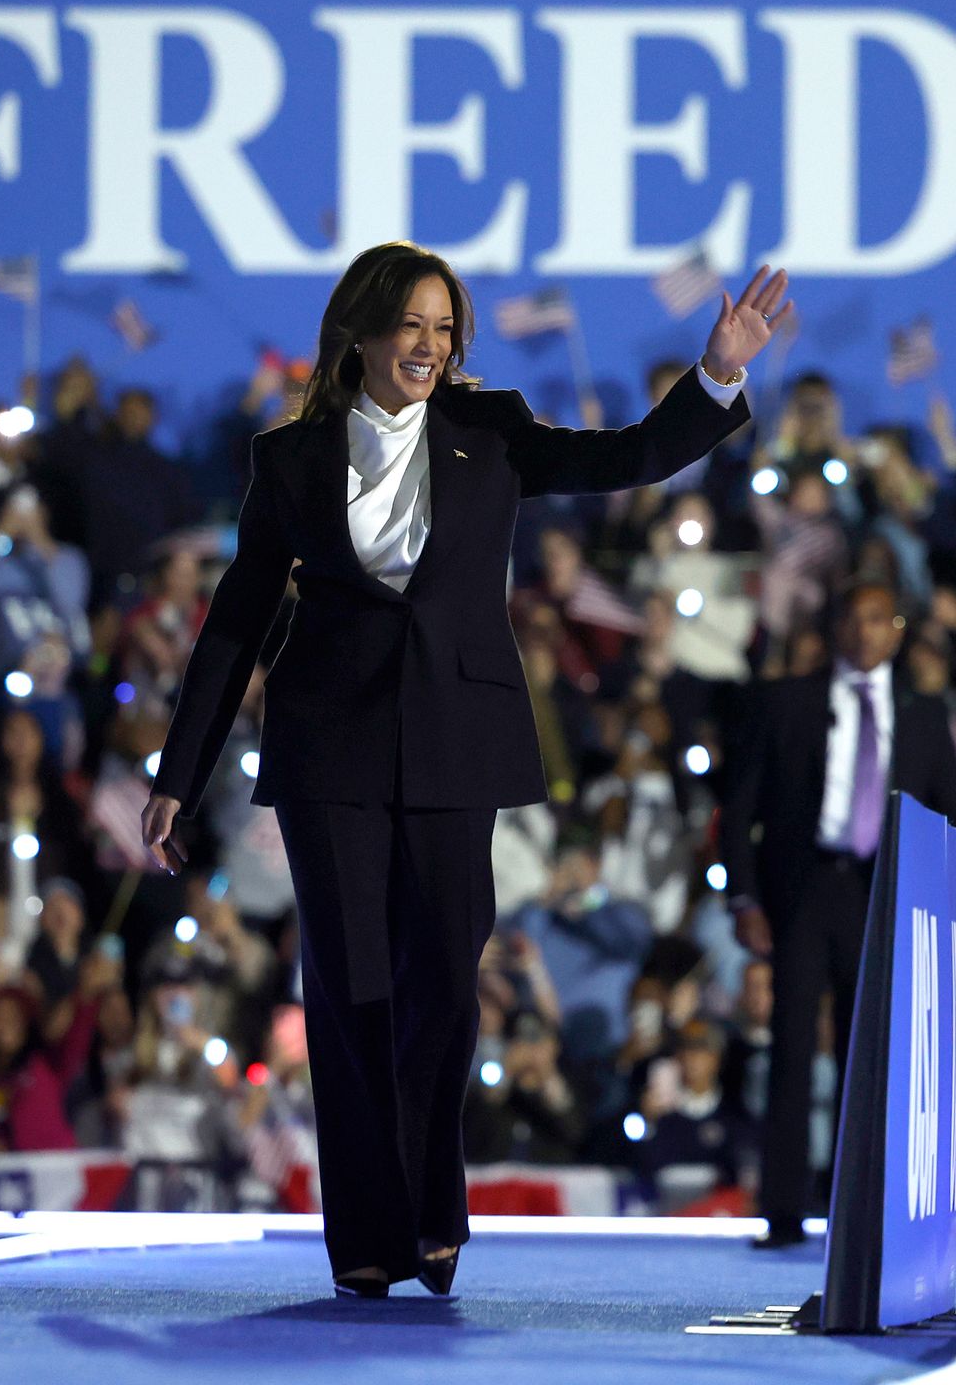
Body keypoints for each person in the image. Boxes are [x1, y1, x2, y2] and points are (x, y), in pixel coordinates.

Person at [142, 240, 791, 1298]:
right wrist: (179, 771)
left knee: (444, 979)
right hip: (329, 746)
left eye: (446, 330)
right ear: (360, 331)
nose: (430, 348)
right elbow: (237, 621)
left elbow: (624, 456)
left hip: (455, 737)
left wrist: (716, 374)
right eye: (412, 326)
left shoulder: (491, 433)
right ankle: (365, 1234)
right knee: (349, 991)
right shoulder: (290, 458)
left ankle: (435, 1212)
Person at [721, 577, 956, 1245]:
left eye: (877, 620)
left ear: (897, 630)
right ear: (834, 628)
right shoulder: (785, 702)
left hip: (884, 894)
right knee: (792, 1048)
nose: (864, 632)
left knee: (876, 1052)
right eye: (852, 619)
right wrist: (742, 896)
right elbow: (739, 809)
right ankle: (785, 1211)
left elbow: (946, 815)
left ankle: (872, 1211)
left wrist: (939, 906)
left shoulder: (922, 714)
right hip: (802, 890)